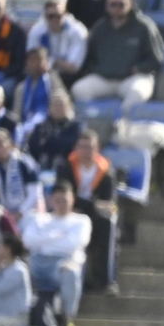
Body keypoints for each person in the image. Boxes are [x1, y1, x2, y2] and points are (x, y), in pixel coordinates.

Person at [70, 0, 162, 111]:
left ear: (130, 3)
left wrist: (138, 68)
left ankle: (122, 127)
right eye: (113, 4)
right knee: (79, 90)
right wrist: (97, 69)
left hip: (133, 78)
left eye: (121, 4)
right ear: (107, 5)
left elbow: (156, 58)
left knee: (137, 93)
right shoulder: (100, 28)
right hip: (105, 78)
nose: (117, 8)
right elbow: (90, 57)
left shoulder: (144, 26)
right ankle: (94, 123)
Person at [20, 179, 89, 326]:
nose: (61, 204)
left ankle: (67, 320)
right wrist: (57, 237)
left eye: (65, 200)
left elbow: (72, 244)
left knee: (71, 272)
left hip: (62, 264)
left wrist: (44, 240)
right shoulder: (38, 219)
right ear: (51, 200)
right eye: (57, 200)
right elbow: (28, 241)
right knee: (17, 268)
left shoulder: (81, 221)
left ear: (72, 199)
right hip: (36, 263)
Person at [54, 125, 115, 293]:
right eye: (82, 146)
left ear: (97, 149)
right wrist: (91, 204)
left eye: (90, 147)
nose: (86, 151)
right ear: (76, 148)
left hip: (93, 215)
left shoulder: (106, 171)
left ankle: (106, 281)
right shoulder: (66, 167)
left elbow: (108, 201)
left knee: (107, 223)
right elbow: (63, 192)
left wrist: (92, 205)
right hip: (70, 211)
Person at [10, 46, 59, 142]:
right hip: (25, 125)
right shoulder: (21, 87)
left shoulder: (51, 82)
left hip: (48, 126)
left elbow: (60, 97)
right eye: (32, 60)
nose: (35, 64)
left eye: (38, 60)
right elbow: (16, 112)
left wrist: (51, 73)